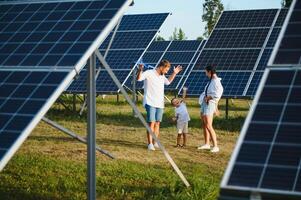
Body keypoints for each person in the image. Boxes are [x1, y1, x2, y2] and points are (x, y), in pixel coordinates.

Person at [137, 60, 182, 150]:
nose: (166, 72)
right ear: (161, 67)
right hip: (150, 102)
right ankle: (150, 144)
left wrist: (174, 73)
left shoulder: (162, 76)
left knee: (157, 123)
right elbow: (139, 79)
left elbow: (168, 82)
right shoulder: (149, 73)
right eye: (166, 70)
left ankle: (155, 142)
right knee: (151, 123)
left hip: (160, 103)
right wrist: (140, 70)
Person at [197, 64, 223, 153]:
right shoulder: (211, 81)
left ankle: (215, 146)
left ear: (210, 72)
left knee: (208, 125)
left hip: (210, 104)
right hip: (205, 103)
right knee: (204, 124)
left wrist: (210, 99)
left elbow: (218, 94)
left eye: (206, 72)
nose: (205, 74)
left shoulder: (216, 82)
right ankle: (207, 144)